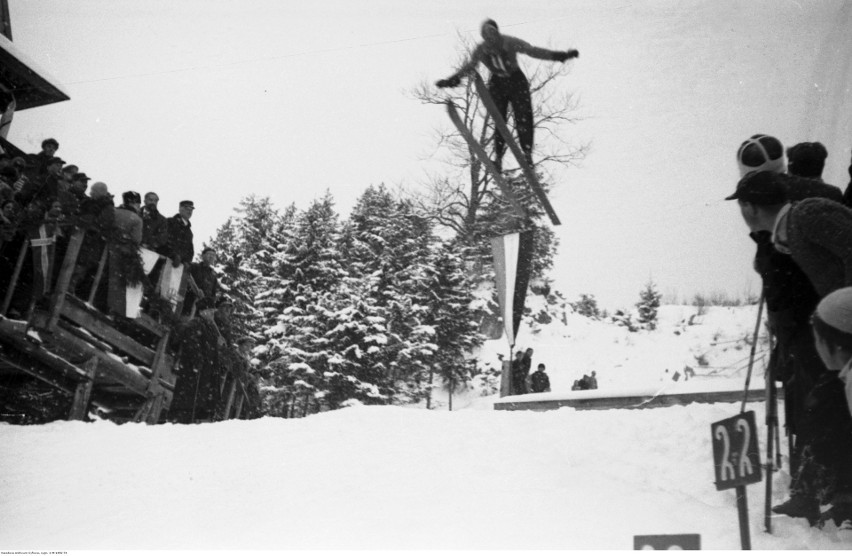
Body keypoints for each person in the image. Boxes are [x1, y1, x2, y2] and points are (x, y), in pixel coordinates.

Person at [435, 19, 578, 171]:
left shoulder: (509, 42)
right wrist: (452, 80)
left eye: (493, 33)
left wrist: (560, 56)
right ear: (484, 37)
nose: (491, 38)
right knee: (499, 120)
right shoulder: (481, 50)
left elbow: (533, 50)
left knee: (523, 116)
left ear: (497, 33)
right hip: (498, 84)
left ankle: (527, 154)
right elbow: (470, 66)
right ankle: (498, 159)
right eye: (487, 35)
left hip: (516, 81)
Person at [184, 247, 219, 315]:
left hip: (203, 307)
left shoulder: (213, 275)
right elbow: (186, 279)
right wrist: (194, 290)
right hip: (189, 301)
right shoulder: (194, 266)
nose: (211, 257)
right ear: (203, 256)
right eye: (209, 254)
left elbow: (213, 293)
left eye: (213, 255)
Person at [166, 200, 194, 267]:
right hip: (165, 259)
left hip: (179, 265)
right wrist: (173, 255)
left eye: (191, 209)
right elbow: (164, 240)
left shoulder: (189, 232)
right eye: (187, 208)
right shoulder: (170, 222)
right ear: (180, 209)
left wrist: (186, 261)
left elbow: (190, 251)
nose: (189, 211)